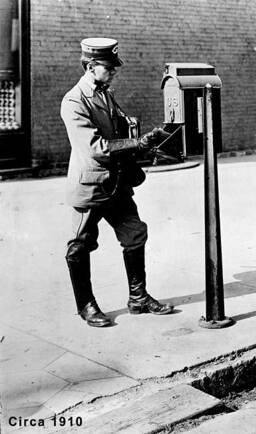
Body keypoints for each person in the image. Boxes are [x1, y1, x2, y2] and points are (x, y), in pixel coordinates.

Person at [60, 37, 174, 327]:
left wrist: (146, 141)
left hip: (116, 182)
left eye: (113, 67)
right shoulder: (75, 101)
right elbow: (95, 147)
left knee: (135, 233)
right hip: (92, 185)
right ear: (89, 66)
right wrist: (137, 143)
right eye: (108, 67)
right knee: (81, 245)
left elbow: (118, 129)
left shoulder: (104, 93)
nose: (113, 72)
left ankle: (138, 298)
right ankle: (86, 305)